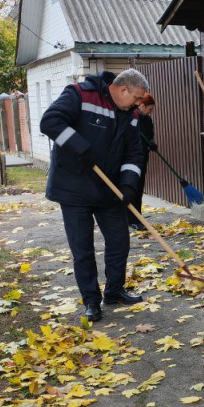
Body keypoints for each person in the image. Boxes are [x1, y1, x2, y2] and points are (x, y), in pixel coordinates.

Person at [40, 69, 149, 322]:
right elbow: (50, 121)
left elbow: (134, 154)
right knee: (83, 248)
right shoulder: (80, 94)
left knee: (119, 242)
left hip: (108, 189)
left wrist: (128, 186)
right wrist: (79, 146)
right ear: (123, 90)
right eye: (136, 98)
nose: (138, 104)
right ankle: (91, 300)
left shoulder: (131, 115)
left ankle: (114, 290)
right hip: (73, 187)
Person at [130, 93, 157, 229]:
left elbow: (150, 133)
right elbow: (130, 138)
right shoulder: (132, 117)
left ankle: (137, 216)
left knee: (139, 188)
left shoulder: (147, 119)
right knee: (133, 188)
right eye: (150, 109)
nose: (151, 111)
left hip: (142, 157)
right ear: (142, 105)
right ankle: (132, 219)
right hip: (132, 159)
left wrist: (151, 142)